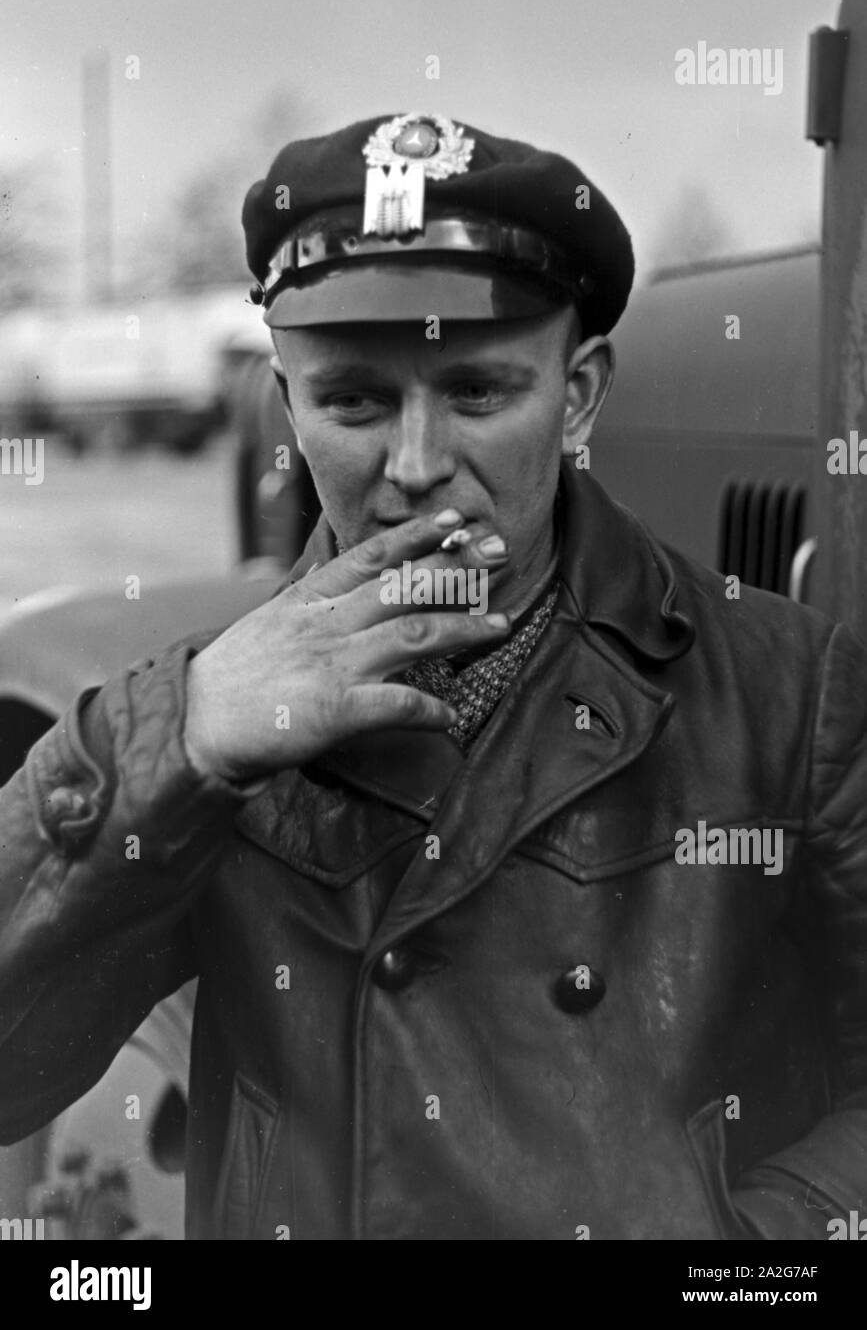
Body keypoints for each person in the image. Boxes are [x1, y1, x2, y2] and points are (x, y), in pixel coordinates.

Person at [1, 111, 866, 1241]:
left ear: (582, 394)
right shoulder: (214, 713)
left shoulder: (782, 689)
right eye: (353, 400)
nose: (414, 469)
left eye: (477, 394)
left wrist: (743, 1256)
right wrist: (181, 736)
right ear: (286, 400)